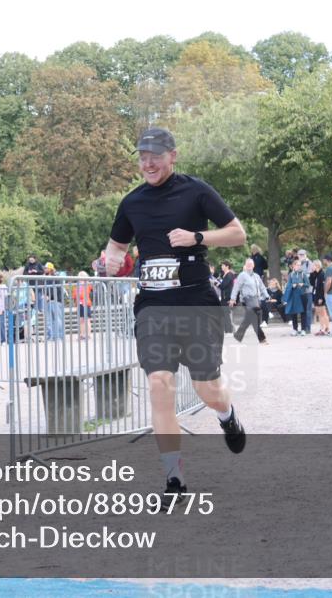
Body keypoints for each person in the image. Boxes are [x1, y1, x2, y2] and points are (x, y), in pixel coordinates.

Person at [104, 126, 247, 498]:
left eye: (155, 156)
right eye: (142, 157)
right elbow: (116, 248)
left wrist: (197, 237)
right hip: (153, 306)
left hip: (196, 303)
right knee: (159, 384)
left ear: (173, 156)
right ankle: (174, 478)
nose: (148, 163)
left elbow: (237, 233)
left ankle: (226, 415)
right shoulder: (132, 202)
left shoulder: (196, 191)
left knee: (207, 389)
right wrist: (110, 261)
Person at [229, 258, 269, 344]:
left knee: (250, 319)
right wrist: (232, 298)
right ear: (245, 265)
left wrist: (267, 296)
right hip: (247, 300)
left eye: (251, 264)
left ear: (253, 265)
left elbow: (262, 287)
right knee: (254, 319)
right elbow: (236, 287)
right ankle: (262, 338)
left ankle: (238, 335)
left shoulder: (256, 276)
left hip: (256, 300)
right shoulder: (242, 275)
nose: (249, 266)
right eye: (248, 264)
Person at [283, 259, 309, 336]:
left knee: (303, 313)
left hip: (302, 295)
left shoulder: (303, 274)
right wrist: (292, 285)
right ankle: (295, 329)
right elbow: (288, 286)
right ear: (293, 266)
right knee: (293, 313)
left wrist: (303, 284)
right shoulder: (291, 275)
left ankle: (303, 329)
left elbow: (308, 284)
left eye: (300, 265)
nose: (299, 266)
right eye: (297, 265)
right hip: (294, 296)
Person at [310, 260, 330, 336]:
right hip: (315, 295)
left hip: (320, 296)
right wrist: (312, 273)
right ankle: (322, 328)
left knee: (323, 312)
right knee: (319, 313)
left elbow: (323, 287)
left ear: (317, 265)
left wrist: (321, 298)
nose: (312, 267)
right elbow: (311, 283)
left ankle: (327, 328)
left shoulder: (322, 274)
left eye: (313, 265)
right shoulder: (316, 274)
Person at [73, 271, 94, 340]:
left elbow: (92, 289)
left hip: (86, 303)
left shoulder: (88, 284)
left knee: (87, 319)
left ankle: (88, 334)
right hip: (79, 304)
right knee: (81, 320)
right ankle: (82, 334)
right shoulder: (77, 285)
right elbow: (75, 296)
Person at [218, 261, 236, 334]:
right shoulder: (224, 275)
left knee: (227, 313)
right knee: (225, 313)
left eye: (223, 265)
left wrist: (216, 284)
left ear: (227, 266)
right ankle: (228, 329)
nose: (221, 267)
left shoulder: (229, 275)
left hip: (227, 297)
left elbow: (223, 286)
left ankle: (229, 329)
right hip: (224, 297)